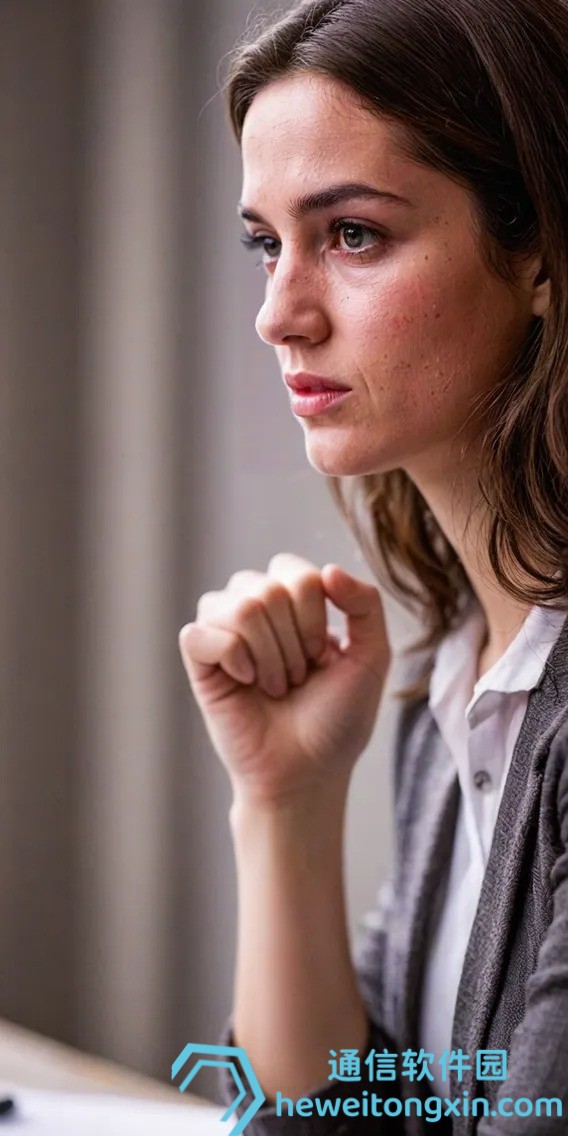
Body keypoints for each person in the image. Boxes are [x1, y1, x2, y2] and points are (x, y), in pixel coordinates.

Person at [177, 0, 568, 1131]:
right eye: (266, 242)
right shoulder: (460, 675)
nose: (278, 314)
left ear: (540, 253)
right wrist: (284, 805)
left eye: (351, 234)